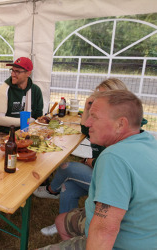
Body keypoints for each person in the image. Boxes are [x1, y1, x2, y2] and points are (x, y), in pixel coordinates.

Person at [39, 90, 157, 249]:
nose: (87, 123)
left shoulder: (114, 158)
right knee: (61, 220)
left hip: (121, 243)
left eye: (94, 117)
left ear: (120, 124)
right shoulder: (148, 141)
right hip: (145, 232)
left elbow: (105, 231)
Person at [33, 78, 130, 236]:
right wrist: (87, 106)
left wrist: (89, 161)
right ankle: (66, 225)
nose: (97, 100)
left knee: (67, 167)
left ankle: (51, 190)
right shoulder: (102, 121)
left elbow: (116, 162)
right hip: (100, 173)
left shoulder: (120, 126)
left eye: (102, 97)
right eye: (96, 97)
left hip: (110, 184)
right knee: (68, 187)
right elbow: (85, 129)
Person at [0, 57, 44, 141]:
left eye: (17, 72)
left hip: (27, 133)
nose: (13, 74)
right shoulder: (3, 89)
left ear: (28, 73)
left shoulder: (36, 90)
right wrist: (27, 121)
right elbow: (0, 120)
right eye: (12, 70)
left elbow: (38, 117)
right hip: (4, 134)